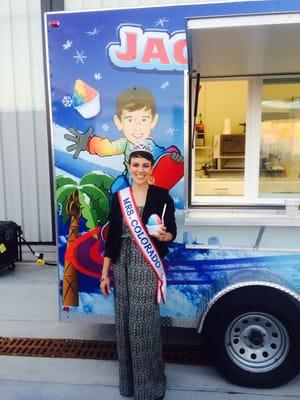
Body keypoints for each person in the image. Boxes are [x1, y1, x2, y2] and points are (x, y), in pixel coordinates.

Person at [100, 142, 177, 400]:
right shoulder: (119, 197)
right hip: (122, 263)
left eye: (145, 165)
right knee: (123, 322)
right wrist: (104, 273)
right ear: (129, 167)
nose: (140, 170)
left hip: (146, 264)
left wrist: (166, 235)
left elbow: (171, 232)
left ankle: (150, 386)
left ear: (151, 168)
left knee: (143, 325)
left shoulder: (162, 196)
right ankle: (129, 384)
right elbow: (111, 240)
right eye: (136, 165)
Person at [64, 86, 183, 193]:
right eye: (130, 120)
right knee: (116, 188)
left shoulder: (152, 147)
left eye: (143, 119)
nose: (137, 126)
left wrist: (174, 158)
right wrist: (89, 143)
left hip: (146, 182)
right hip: (128, 180)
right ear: (119, 122)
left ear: (153, 121)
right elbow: (107, 148)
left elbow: (163, 159)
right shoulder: (124, 143)